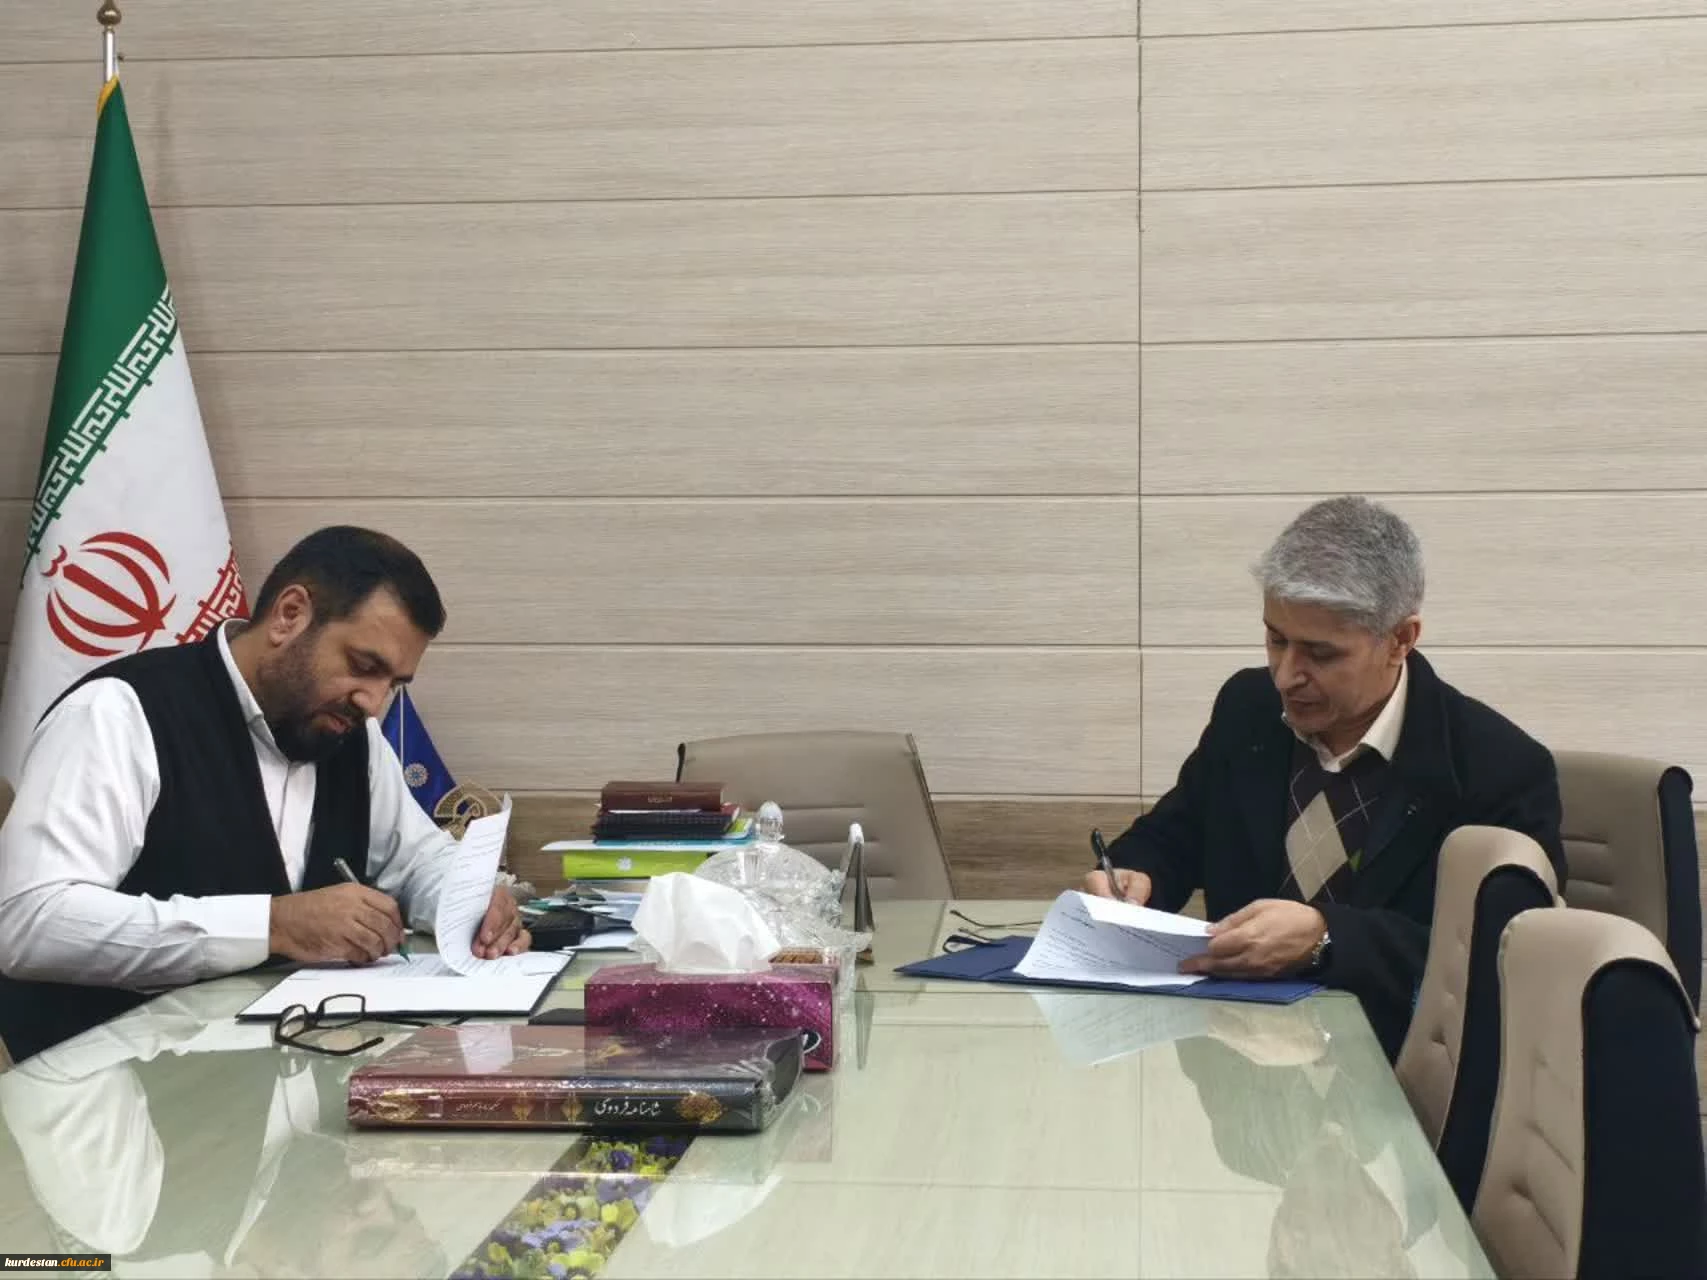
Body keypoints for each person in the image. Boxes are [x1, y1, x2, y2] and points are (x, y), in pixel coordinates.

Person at [0, 525, 530, 1061]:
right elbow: (29, 922)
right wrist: (272, 926)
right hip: (106, 1081)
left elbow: (413, 858)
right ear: (289, 615)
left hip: (285, 1066)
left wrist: (467, 897)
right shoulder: (118, 713)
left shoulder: (350, 733)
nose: (373, 703)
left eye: (392, 683)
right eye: (364, 666)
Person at [1086, 496, 1564, 1058]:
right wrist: (1135, 875)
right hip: (1238, 1066)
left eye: (1320, 654)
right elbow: (1178, 833)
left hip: (1395, 1070)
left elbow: (1504, 954)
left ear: (1401, 640)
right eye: (1276, 639)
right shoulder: (1248, 709)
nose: (1286, 676)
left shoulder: (1497, 767)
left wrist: (1327, 936)